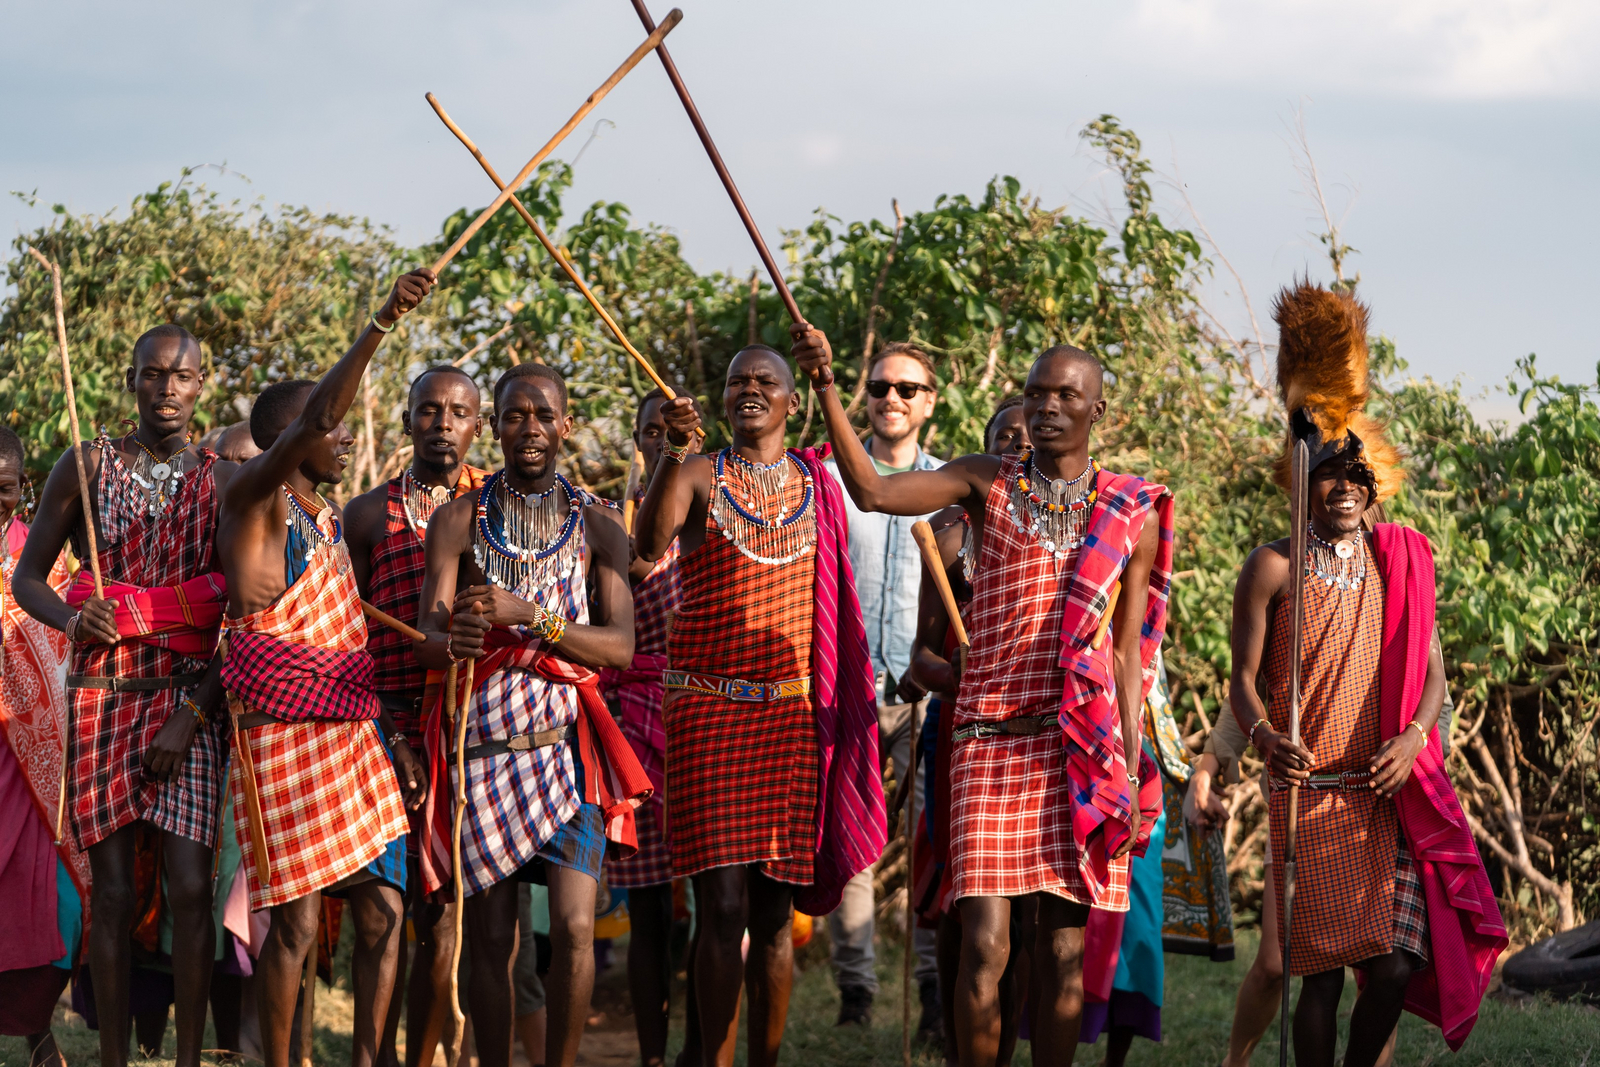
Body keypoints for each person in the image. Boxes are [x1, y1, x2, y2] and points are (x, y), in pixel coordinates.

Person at [797, 326, 1172, 1067]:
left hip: (1076, 751)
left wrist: (1128, 766)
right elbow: (872, 492)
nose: (1048, 407)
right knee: (985, 947)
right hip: (985, 745)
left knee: (1062, 952)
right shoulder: (982, 481)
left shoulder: (1133, 512)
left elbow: (1128, 655)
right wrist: (828, 386)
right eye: (1036, 394)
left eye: (1066, 395)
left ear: (1098, 409)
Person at [1228, 282, 1505, 1067]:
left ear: (1373, 483)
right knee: (1317, 980)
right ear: (1302, 480)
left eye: (1358, 475)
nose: (1345, 487)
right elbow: (1241, 681)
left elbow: (1435, 675)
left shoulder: (1398, 561)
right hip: (1309, 797)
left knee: (1393, 968)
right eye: (1328, 473)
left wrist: (1414, 737)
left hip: (1385, 798)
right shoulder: (1272, 566)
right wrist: (1263, 738)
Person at [633, 342, 884, 1067]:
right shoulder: (696, 473)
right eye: (737, 380)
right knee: (723, 907)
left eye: (765, 380)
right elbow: (647, 543)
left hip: (790, 716)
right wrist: (671, 453)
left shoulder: (818, 483)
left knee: (775, 915)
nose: (749, 388)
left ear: (790, 401)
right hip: (707, 713)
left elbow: (872, 494)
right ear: (722, 400)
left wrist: (831, 376)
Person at [215, 270, 435, 1067]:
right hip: (281, 736)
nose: (343, 439)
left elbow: (350, 653)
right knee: (298, 923)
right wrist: (382, 320)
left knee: (383, 910)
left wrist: (392, 739)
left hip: (350, 736)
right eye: (332, 429)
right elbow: (317, 414)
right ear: (291, 439)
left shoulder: (329, 519)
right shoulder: (253, 502)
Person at [415, 362, 649, 1067]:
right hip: (485, 751)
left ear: (566, 425)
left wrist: (533, 617)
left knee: (575, 928)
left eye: (544, 415)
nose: (530, 428)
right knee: (491, 938)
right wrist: (455, 639)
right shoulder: (459, 520)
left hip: (564, 750)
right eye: (515, 415)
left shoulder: (598, 524)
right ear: (494, 426)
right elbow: (428, 640)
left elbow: (620, 647)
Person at [15, 325, 237, 1067]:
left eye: (181, 376)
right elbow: (28, 578)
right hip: (103, 698)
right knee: (110, 893)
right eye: (152, 374)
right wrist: (73, 618)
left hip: (187, 703)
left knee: (190, 888)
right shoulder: (85, 464)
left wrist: (194, 712)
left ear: (201, 384)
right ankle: (112, 1057)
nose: (167, 389)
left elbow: (239, 616)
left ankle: (185, 1060)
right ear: (131, 379)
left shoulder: (222, 481)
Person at [345, 365, 488, 1067]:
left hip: (468, 728)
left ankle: (426, 1058)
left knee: (444, 920)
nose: (442, 424)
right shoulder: (367, 515)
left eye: (458, 412)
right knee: (381, 914)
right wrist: (386, 729)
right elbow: (345, 636)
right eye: (428, 410)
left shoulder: (500, 508)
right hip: (386, 724)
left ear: (477, 427)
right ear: (407, 421)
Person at [821, 342, 943, 1030]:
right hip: (848, 689)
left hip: (925, 693)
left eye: (907, 388)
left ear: (930, 402)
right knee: (852, 839)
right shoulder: (833, 479)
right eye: (879, 387)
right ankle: (856, 992)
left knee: (931, 840)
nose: (891, 398)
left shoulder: (949, 483)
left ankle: (931, 989)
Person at [906, 396, 1029, 1064]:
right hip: (962, 734)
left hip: (1039, 736)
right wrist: (962, 674)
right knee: (966, 903)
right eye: (1003, 439)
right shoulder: (951, 535)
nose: (1017, 449)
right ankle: (961, 1051)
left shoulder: (1067, 531)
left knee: (1028, 916)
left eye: (1026, 439)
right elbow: (920, 659)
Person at [601, 387, 700, 1067]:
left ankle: (700, 1047)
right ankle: (652, 1056)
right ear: (638, 441)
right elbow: (638, 558)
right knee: (648, 908)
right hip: (635, 717)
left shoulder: (718, 516)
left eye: (674, 431)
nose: (662, 440)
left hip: (704, 713)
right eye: (651, 431)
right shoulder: (617, 521)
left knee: (716, 898)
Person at [0, 426, 85, 1067]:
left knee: (61, 903)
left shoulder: (46, 559)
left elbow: (65, 643)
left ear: (23, 486)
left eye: (4, 487)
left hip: (38, 752)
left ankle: (34, 1025)